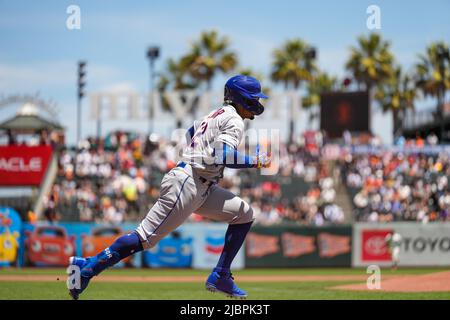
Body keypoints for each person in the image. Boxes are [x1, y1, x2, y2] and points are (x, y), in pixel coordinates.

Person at [67, 75, 271, 300]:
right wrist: (255, 160)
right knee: (145, 237)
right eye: (253, 98)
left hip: (201, 184)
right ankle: (88, 269)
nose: (257, 103)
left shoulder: (214, 115)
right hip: (189, 181)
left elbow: (191, 133)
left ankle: (221, 274)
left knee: (244, 214)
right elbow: (223, 155)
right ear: (242, 98)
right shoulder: (234, 120)